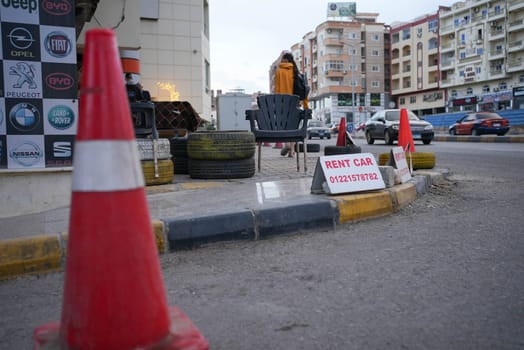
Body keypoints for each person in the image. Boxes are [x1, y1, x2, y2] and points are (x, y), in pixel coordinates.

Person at [274, 52, 309, 157]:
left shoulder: (279, 71)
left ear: (285, 60)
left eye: (282, 59)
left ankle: (288, 145)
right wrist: (306, 106)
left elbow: (277, 89)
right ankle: (292, 151)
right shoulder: (296, 72)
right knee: (294, 126)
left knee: (285, 126)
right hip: (296, 103)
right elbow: (304, 89)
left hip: (284, 102)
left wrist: (277, 103)